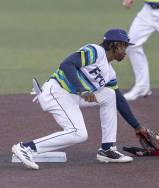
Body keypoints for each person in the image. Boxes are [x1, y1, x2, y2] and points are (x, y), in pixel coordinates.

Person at [12, 28, 149, 170]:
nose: (126, 51)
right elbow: (67, 64)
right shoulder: (94, 51)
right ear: (115, 45)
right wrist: (83, 89)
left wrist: (137, 126)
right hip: (57, 91)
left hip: (72, 96)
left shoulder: (110, 72)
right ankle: (26, 147)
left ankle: (107, 149)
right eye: (124, 46)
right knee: (79, 133)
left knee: (110, 95)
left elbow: (119, 99)